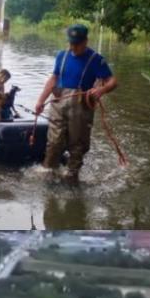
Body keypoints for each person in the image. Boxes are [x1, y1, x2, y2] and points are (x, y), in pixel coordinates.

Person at [34, 24, 119, 181]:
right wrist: (40, 101)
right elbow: (53, 79)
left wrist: (102, 90)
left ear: (86, 41)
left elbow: (112, 81)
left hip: (81, 107)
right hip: (58, 104)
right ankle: (48, 171)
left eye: (77, 44)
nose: (73, 47)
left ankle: (72, 176)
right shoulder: (62, 56)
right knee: (54, 141)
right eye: (71, 43)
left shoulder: (96, 60)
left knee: (78, 144)